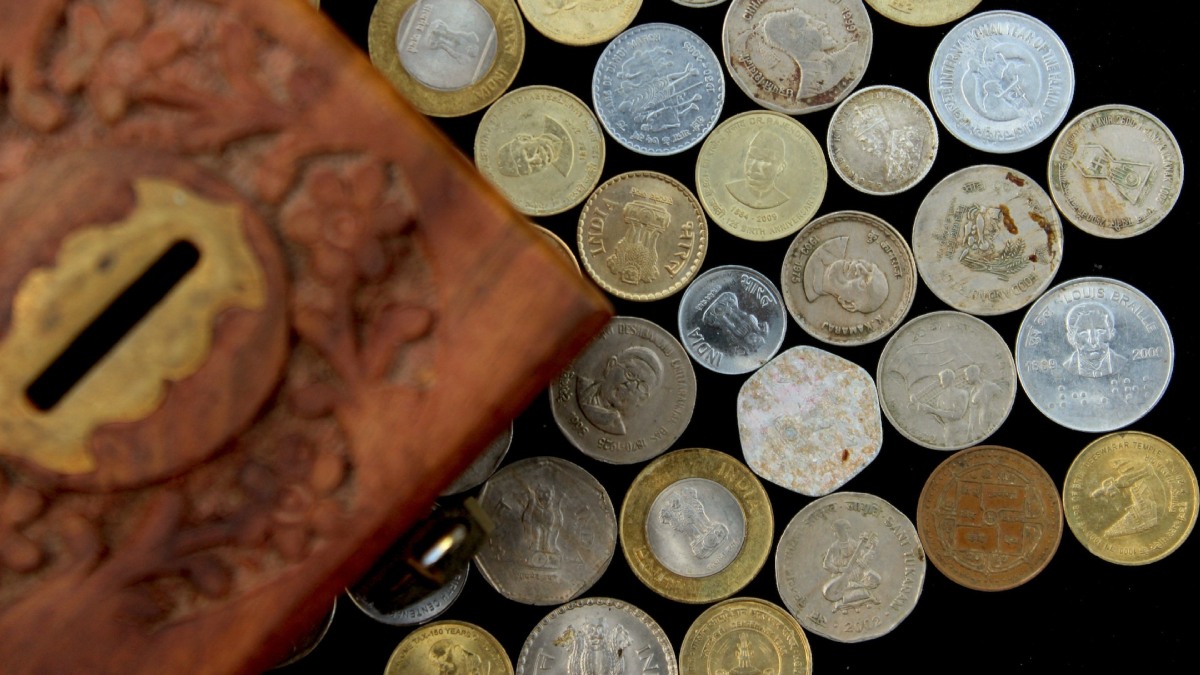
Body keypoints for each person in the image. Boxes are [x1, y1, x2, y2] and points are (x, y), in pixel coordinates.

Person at [576, 345, 664, 434]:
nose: (631, 386)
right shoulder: (581, 387)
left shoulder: (617, 428)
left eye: (642, 386)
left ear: (643, 398)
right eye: (630, 374)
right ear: (611, 365)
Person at [803, 235, 889, 314]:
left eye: (863, 283)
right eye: (868, 267)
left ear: (848, 304)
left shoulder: (809, 296)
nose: (859, 266)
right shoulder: (838, 244)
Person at [725, 129, 790, 209]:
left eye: (764, 160)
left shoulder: (781, 199)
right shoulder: (732, 189)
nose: (753, 167)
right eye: (751, 157)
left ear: (781, 167)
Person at [1062, 302, 1128, 377]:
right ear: (1071, 338)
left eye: (1100, 331)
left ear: (1111, 333)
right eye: (1083, 333)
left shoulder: (1121, 363)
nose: (1093, 341)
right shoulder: (1067, 367)